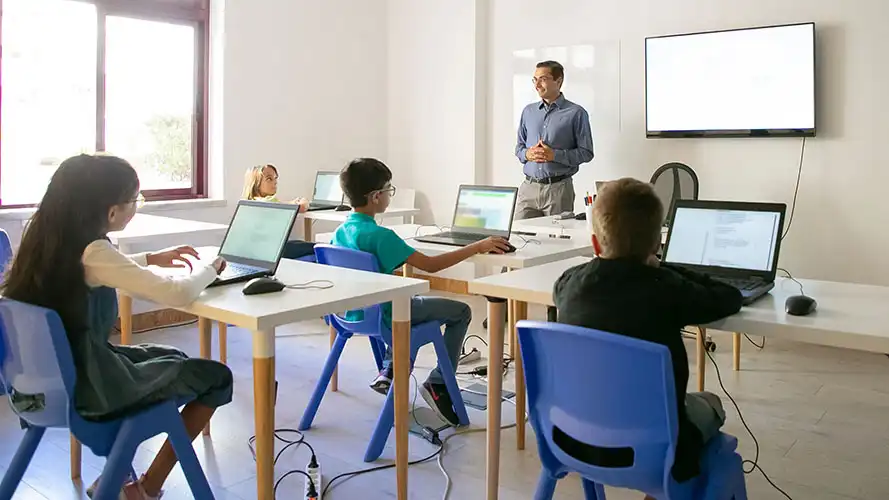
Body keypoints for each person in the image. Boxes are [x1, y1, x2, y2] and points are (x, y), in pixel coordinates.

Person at [2, 154, 233, 500]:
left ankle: (123, 481)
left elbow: (96, 269)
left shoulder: (43, 243)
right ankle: (145, 487)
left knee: (169, 354)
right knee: (216, 377)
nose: (134, 207)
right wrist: (213, 267)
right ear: (111, 212)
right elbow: (178, 291)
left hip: (40, 389)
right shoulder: (94, 250)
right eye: (133, 201)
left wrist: (149, 259)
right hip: (91, 388)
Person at [552, 178, 742, 491]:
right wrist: (665, 268)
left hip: (573, 437)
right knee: (710, 402)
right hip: (656, 445)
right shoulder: (666, 288)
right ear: (656, 244)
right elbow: (728, 295)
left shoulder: (567, 283)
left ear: (596, 244)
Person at [332, 158, 510, 425]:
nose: (390, 195)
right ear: (376, 197)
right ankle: (438, 382)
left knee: (405, 297)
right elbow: (431, 265)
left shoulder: (340, 232)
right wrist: (477, 246)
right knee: (461, 311)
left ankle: (391, 368)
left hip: (353, 316)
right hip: (387, 318)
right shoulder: (381, 236)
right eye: (389, 190)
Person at [514, 60, 595, 219]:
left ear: (559, 81)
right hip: (528, 189)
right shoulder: (528, 112)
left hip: (558, 190)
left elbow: (586, 153)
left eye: (542, 79)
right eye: (534, 79)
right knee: (518, 237)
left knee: (556, 241)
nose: (537, 85)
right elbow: (519, 148)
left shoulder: (576, 113)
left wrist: (554, 155)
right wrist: (527, 154)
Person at [242, 164, 315, 260]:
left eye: (275, 178)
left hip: (259, 251)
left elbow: (283, 204)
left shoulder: (249, 202)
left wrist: (291, 203)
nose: (275, 182)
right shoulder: (270, 202)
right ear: (256, 183)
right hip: (276, 250)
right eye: (269, 179)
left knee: (298, 242)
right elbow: (302, 207)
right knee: (317, 247)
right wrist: (304, 201)